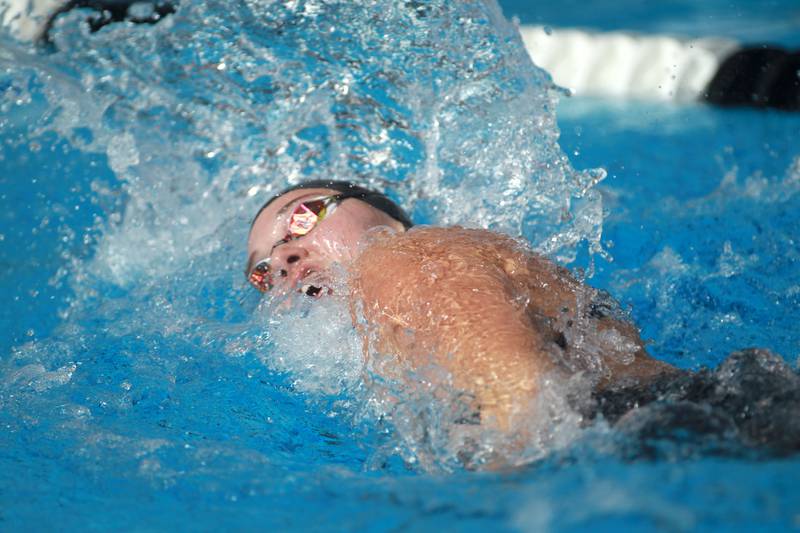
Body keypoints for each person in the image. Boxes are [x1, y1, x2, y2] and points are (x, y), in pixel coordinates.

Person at [247, 180, 675, 432]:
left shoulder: (400, 257)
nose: (283, 259)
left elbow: (530, 399)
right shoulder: (388, 330)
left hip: (654, 433)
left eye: (302, 218)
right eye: (262, 273)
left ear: (387, 219)